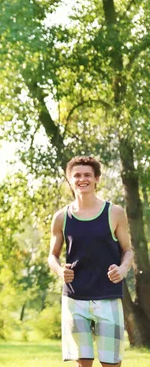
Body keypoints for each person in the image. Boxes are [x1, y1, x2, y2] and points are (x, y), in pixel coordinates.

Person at [48, 156, 134, 367]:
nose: (82, 179)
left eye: (87, 175)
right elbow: (52, 256)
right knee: (83, 363)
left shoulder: (114, 213)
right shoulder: (61, 217)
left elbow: (128, 251)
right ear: (69, 180)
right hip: (75, 298)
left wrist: (123, 270)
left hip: (108, 296)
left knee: (111, 363)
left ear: (96, 179)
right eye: (77, 175)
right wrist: (60, 271)